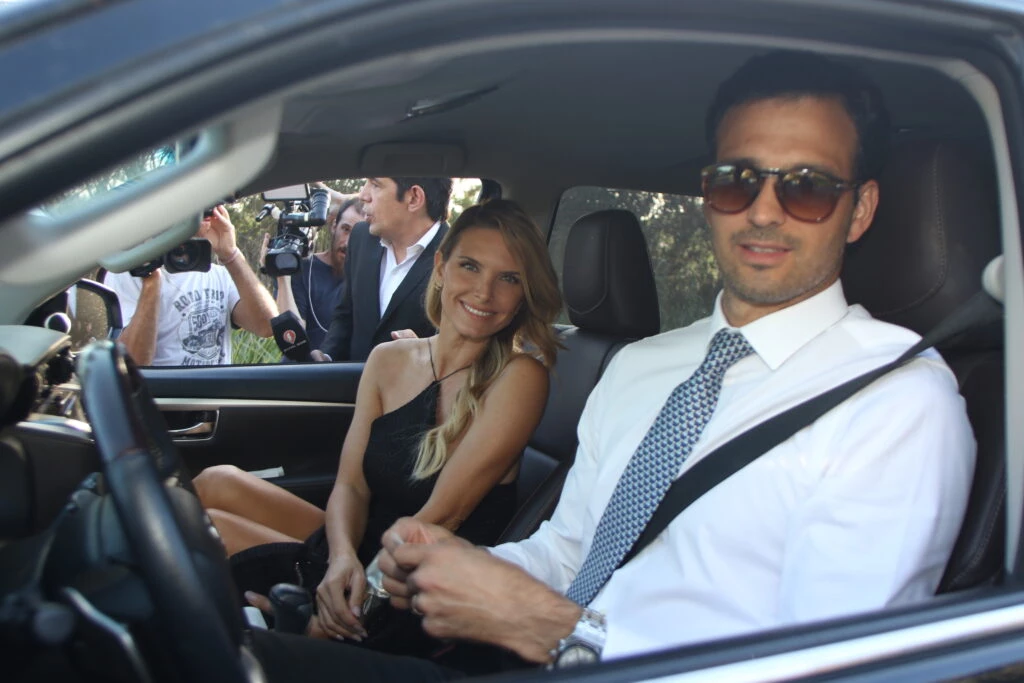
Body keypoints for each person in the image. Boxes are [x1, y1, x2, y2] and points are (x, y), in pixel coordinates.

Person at [246, 50, 976, 681]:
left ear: (860, 209)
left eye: (807, 185)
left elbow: (829, 670)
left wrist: (553, 630)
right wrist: (457, 569)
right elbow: (567, 551)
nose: (763, 210)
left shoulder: (897, 403)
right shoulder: (641, 367)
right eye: (737, 180)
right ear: (709, 196)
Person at [194, 199, 563, 642]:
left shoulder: (519, 377)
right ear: (441, 266)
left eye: (509, 278)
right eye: (470, 266)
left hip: (407, 583)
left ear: (525, 292)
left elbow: (439, 519)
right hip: (356, 551)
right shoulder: (389, 359)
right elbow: (351, 485)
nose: (485, 292)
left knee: (201, 534)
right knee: (215, 481)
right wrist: (341, 557)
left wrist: (349, 605)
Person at [106, 205, 278, 366]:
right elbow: (132, 362)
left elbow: (266, 326)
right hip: (161, 389)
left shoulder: (219, 274)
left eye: (208, 210)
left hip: (216, 387)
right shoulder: (129, 274)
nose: (205, 216)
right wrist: (152, 282)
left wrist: (231, 255)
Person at [312, 177, 454, 361]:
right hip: (351, 378)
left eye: (375, 185)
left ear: (414, 198)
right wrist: (327, 356)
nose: (363, 195)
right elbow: (346, 314)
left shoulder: (458, 259)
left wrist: (425, 357)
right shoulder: (361, 237)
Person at [269, 198, 363, 353]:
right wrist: (282, 276)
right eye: (345, 229)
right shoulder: (302, 268)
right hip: (304, 366)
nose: (347, 243)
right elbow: (294, 341)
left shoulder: (371, 277)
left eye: (358, 234)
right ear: (334, 226)